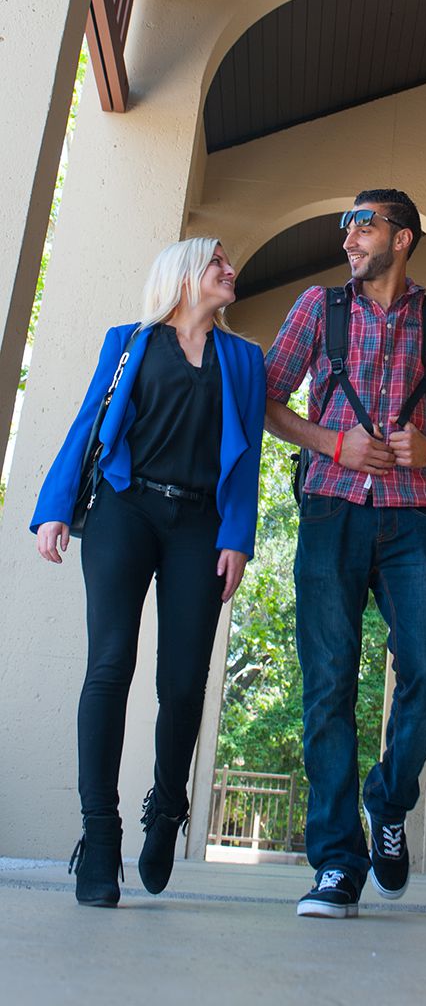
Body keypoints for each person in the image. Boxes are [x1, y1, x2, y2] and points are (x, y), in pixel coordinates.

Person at [265, 189, 426, 918]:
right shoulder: (315, 309)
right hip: (330, 509)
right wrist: (332, 442)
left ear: (402, 239)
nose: (347, 239)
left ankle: (387, 801)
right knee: (327, 685)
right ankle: (336, 863)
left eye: (362, 225)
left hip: (414, 516)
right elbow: (265, 400)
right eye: (345, 226)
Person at [31, 238, 265, 907]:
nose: (230, 271)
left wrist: (237, 539)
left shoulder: (243, 360)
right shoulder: (129, 341)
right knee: (109, 665)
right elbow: (89, 422)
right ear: (186, 275)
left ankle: (166, 806)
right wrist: (53, 509)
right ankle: (99, 838)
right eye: (218, 262)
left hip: (199, 527)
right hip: (124, 513)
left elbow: (245, 458)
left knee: (184, 684)